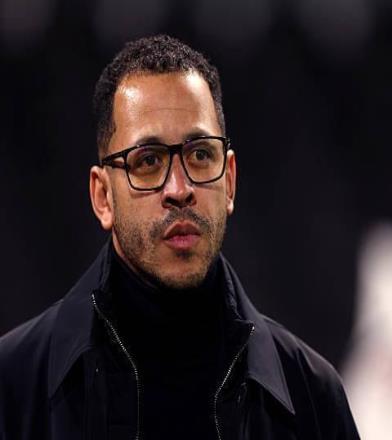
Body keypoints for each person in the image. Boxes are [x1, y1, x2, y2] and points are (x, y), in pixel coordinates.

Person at [0, 35, 359, 440]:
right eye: (148, 161)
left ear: (230, 182)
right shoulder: (14, 386)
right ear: (103, 197)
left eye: (200, 155)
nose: (179, 188)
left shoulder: (311, 396)